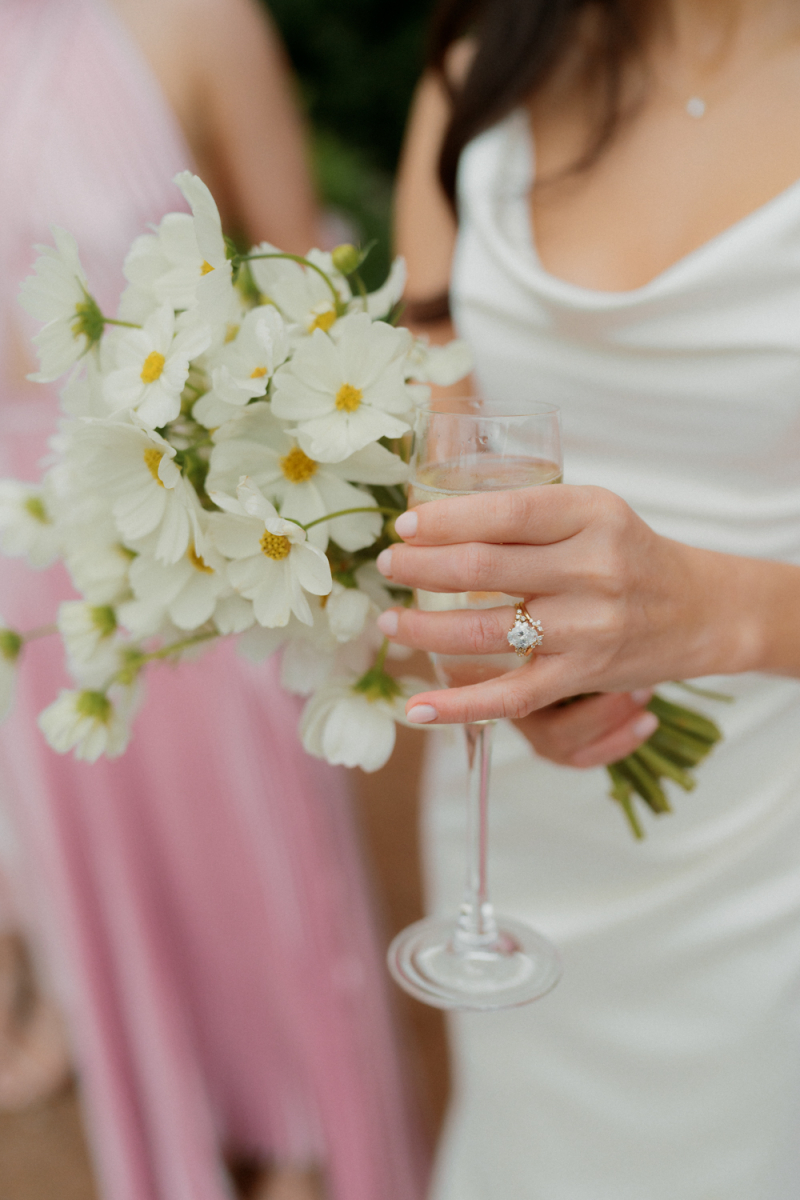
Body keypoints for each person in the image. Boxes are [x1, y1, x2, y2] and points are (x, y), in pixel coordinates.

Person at [0, 2, 426, 1199]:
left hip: (201, 542)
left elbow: (310, 288)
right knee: (119, 921)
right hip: (33, 567)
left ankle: (312, 1154)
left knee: (263, 894)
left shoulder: (198, 19)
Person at [380, 1, 800, 1197]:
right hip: (516, 823)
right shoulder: (479, 64)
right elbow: (437, 436)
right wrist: (477, 654)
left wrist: (715, 610)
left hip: (769, 839)